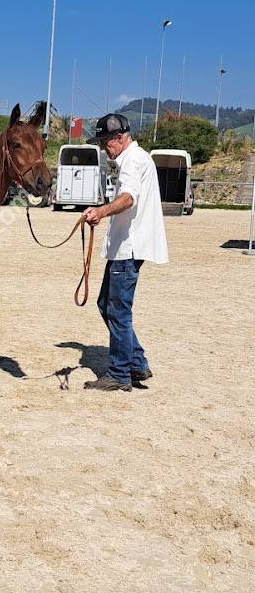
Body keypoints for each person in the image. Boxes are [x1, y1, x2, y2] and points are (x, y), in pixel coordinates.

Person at [81, 112, 168, 392]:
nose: (105, 147)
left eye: (106, 141)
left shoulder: (132, 160)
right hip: (128, 245)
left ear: (119, 137)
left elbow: (129, 198)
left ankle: (119, 373)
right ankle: (137, 363)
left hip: (128, 247)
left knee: (117, 310)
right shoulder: (138, 158)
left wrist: (101, 212)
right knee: (107, 304)